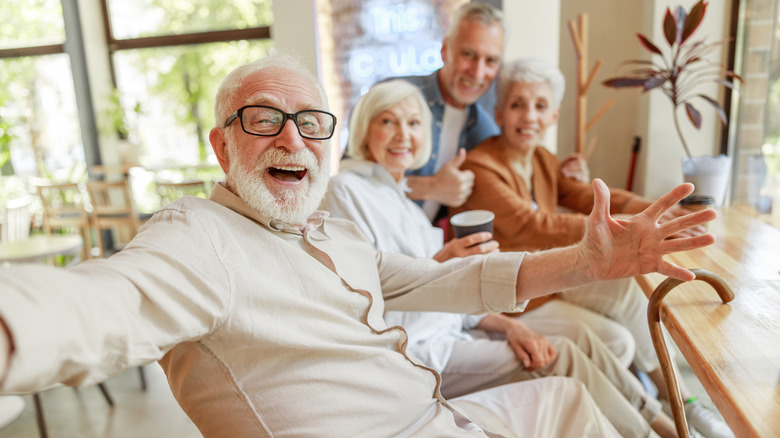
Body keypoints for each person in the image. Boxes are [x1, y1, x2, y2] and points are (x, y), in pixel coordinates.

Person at [0, 53, 716, 437]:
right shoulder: (198, 238)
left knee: (566, 399)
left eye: (310, 123)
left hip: (440, 415)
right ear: (221, 147)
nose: (291, 138)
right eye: (263, 119)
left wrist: (590, 262)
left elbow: (455, 283)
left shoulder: (331, 233)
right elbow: (98, 304)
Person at [322, 79, 684, 438]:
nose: (403, 134)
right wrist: (441, 263)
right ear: (364, 129)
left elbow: (450, 300)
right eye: (388, 121)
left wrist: (511, 327)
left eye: (414, 123)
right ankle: (661, 433)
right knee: (561, 355)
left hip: (457, 331)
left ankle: (672, 419)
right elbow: (365, 297)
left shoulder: (405, 203)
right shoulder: (346, 191)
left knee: (587, 336)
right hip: (418, 352)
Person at [451, 57, 734, 438]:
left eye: (539, 106)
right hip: (514, 294)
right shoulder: (482, 167)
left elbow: (585, 195)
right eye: (517, 104)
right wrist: (625, 230)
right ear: (500, 113)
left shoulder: (540, 160)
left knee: (630, 289)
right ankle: (661, 416)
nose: (528, 116)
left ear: (553, 115)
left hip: (547, 280)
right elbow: (535, 225)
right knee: (617, 339)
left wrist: (653, 210)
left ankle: (683, 403)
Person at [392, 2, 587, 221]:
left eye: (491, 60)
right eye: (468, 54)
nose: (478, 72)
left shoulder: (485, 127)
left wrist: (566, 178)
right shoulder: (396, 97)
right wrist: (429, 187)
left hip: (426, 248)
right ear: (445, 50)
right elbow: (351, 177)